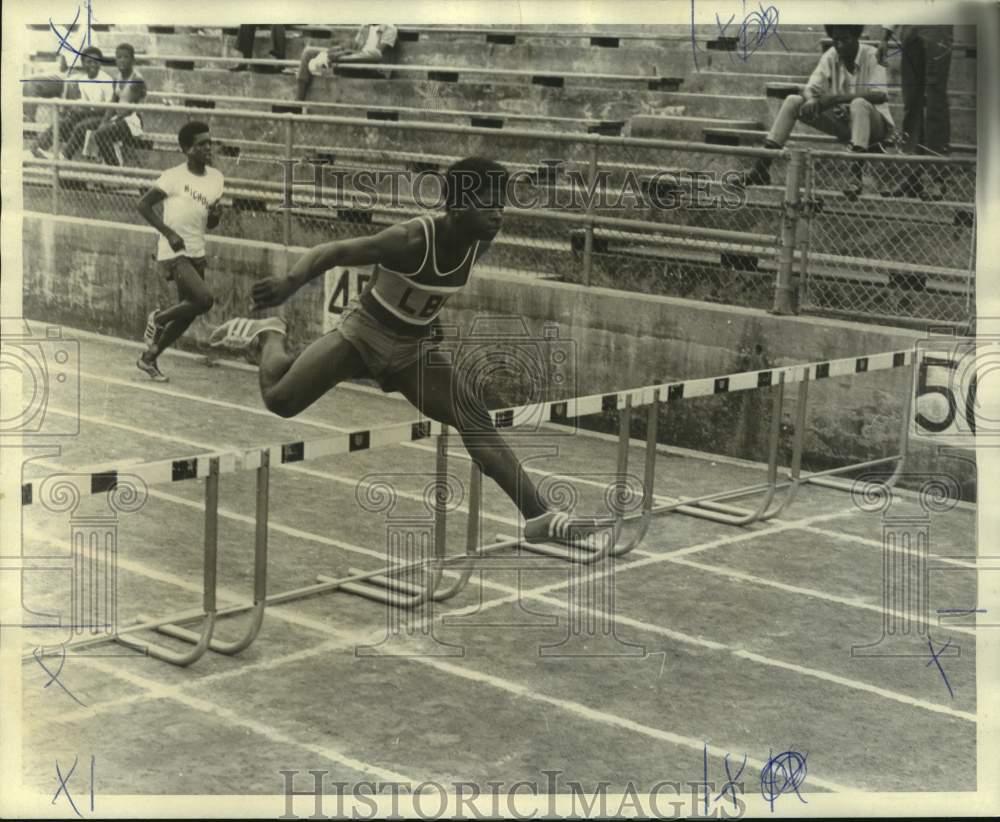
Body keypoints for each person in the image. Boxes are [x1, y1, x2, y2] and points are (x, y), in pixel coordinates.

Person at [209, 157, 597, 545]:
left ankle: (539, 515)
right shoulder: (410, 240)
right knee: (281, 399)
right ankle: (270, 334)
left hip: (413, 350)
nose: (499, 216)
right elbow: (335, 251)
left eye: (502, 205)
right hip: (363, 337)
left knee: (474, 417)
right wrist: (289, 282)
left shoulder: (481, 240)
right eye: (490, 205)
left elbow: (427, 294)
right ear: (460, 207)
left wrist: (430, 324)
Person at [742, 25, 894, 199]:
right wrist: (813, 98)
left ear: (857, 37)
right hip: (846, 124)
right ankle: (761, 169)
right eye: (836, 40)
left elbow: (880, 95)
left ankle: (855, 178)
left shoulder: (872, 55)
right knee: (793, 101)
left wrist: (837, 99)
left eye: (845, 40)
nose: (840, 45)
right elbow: (810, 88)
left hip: (876, 127)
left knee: (859, 104)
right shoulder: (831, 55)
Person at [136, 122, 224, 381]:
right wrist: (169, 233)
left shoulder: (217, 179)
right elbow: (143, 205)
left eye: (210, 142)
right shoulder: (173, 176)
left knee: (191, 310)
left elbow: (210, 222)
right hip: (174, 251)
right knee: (204, 300)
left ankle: (148, 358)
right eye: (201, 144)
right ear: (187, 149)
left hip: (197, 249)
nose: (208, 148)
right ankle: (159, 318)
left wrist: (216, 216)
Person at [877, 25, 953, 199]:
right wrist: (885, 37)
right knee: (911, 100)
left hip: (938, 24)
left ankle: (937, 177)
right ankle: (912, 176)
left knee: (935, 100)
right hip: (910, 27)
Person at [33, 46, 114, 160]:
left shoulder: (106, 80)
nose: (92, 65)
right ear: (83, 63)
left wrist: (84, 111)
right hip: (90, 114)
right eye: (89, 62)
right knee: (62, 123)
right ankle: (37, 148)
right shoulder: (83, 80)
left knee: (81, 126)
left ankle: (64, 156)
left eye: (96, 62)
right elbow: (85, 101)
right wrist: (75, 106)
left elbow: (109, 108)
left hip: (105, 116)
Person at [294, 23, 398, 101]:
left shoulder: (390, 28)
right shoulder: (366, 26)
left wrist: (346, 53)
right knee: (308, 52)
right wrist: (342, 49)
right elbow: (354, 48)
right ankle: (298, 101)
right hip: (353, 60)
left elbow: (378, 54)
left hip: (374, 67)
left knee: (374, 53)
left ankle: (332, 58)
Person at [89, 43, 147, 167]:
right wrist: (104, 121)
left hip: (133, 120)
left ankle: (115, 168)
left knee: (101, 133)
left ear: (132, 60)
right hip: (119, 118)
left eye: (125, 57)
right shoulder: (117, 78)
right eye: (119, 57)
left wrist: (113, 121)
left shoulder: (136, 79)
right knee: (89, 127)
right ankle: (99, 166)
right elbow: (113, 102)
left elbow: (131, 108)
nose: (122, 60)